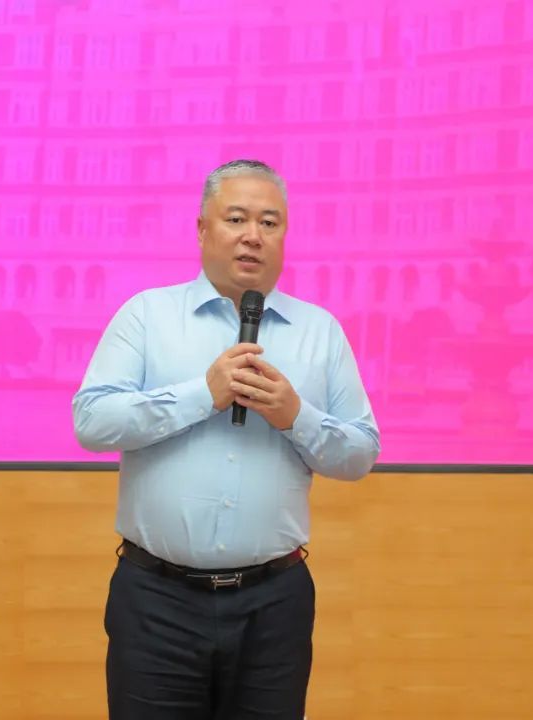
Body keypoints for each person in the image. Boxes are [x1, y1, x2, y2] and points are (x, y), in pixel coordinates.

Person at [72, 159, 380, 720]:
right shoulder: (147, 316)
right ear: (201, 229)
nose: (253, 236)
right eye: (236, 218)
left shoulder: (320, 332)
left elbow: (359, 454)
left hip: (274, 605)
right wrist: (202, 394)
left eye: (269, 222)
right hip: (156, 601)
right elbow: (92, 421)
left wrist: (294, 415)